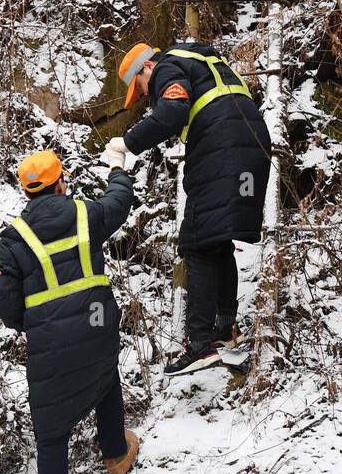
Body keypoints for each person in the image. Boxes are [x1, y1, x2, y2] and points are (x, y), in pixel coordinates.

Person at [0, 146, 138, 474]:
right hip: (97, 321)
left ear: (27, 192)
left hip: (50, 342)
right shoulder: (84, 213)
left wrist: (31, 323)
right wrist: (117, 169)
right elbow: (119, 202)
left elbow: (6, 304)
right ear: (62, 182)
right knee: (106, 371)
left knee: (51, 431)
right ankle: (115, 453)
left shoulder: (14, 237)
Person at [109, 41, 271, 375]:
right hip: (252, 143)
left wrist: (127, 143)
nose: (144, 97)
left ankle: (199, 345)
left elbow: (172, 112)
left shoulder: (167, 66)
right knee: (215, 240)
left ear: (146, 68)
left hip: (221, 146)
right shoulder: (203, 61)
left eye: (141, 89)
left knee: (196, 243)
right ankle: (225, 330)